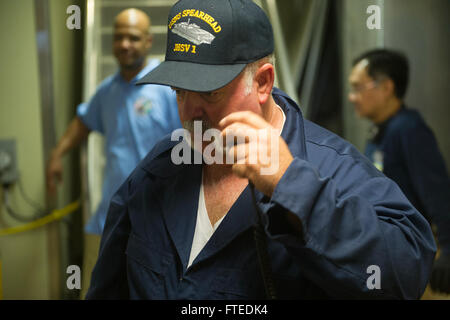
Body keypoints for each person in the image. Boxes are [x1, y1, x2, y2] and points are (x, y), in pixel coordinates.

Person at [86, 0, 436, 299]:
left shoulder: (330, 166)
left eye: (210, 92)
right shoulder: (159, 171)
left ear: (263, 82)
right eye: (179, 90)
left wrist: (292, 186)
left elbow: (406, 273)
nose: (190, 111)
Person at [46, 8, 181, 298]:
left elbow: (190, 141)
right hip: (107, 218)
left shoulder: (167, 88)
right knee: (95, 291)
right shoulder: (106, 91)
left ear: (148, 41)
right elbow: (82, 123)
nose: (124, 44)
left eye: (132, 37)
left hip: (155, 217)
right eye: (118, 37)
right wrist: (57, 155)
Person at [348, 49, 450, 295]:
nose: (352, 97)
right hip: (390, 252)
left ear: (386, 88)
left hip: (416, 253)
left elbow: (438, 193)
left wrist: (448, 250)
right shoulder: (380, 131)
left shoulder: (409, 130)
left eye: (358, 87)